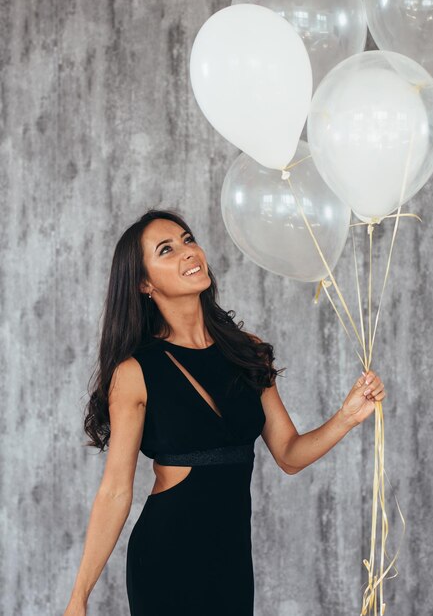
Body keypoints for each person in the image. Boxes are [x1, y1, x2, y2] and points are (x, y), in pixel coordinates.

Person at [62, 208, 385, 616]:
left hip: (232, 560)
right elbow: (115, 490)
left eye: (187, 239)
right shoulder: (135, 372)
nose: (188, 251)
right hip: (167, 559)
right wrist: (79, 598)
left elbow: (288, 454)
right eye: (167, 249)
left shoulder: (246, 351)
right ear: (144, 283)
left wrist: (347, 417)